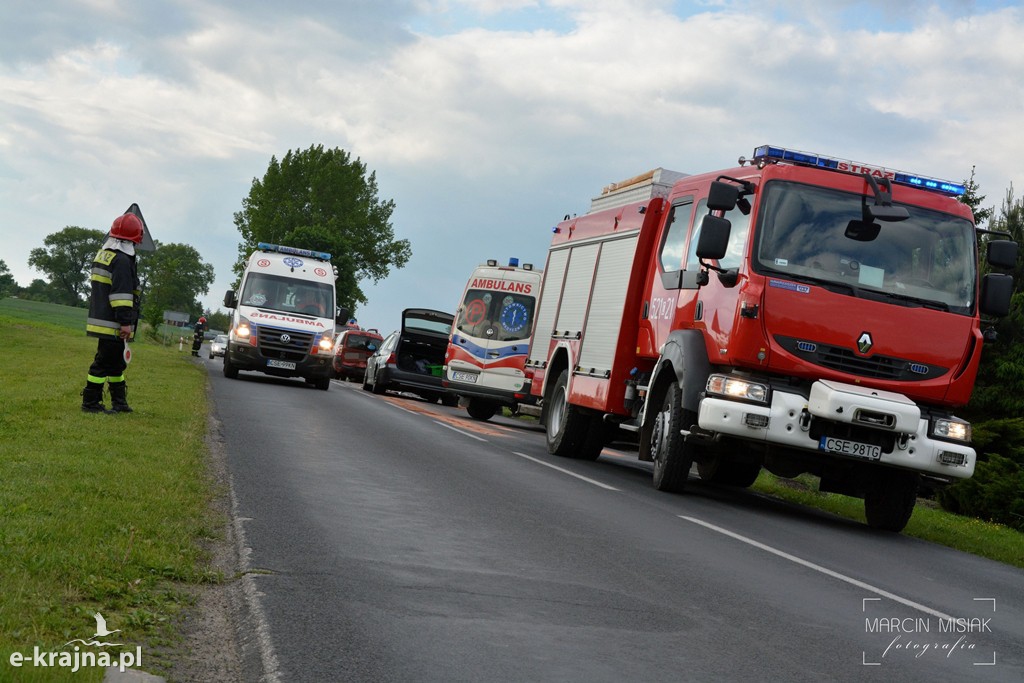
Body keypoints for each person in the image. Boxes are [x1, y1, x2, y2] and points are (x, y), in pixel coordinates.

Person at [82, 213, 143, 413]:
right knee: (102, 363)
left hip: (103, 318)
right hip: (114, 322)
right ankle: (91, 403)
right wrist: (125, 322)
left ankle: (119, 402)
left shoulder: (104, 254)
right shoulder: (123, 261)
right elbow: (122, 296)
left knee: (116, 364)